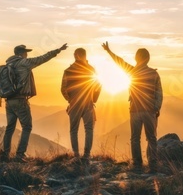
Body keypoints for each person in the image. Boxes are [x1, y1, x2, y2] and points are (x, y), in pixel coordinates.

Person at [0, 43, 68, 161]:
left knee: (10, 128)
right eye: (26, 52)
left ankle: (4, 155)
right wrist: (58, 50)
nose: (27, 54)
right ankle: (20, 154)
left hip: (8, 100)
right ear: (21, 53)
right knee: (27, 126)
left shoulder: (8, 64)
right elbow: (42, 58)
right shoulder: (24, 63)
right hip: (20, 100)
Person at [101, 41, 163, 172]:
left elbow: (119, 61)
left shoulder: (132, 71)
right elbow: (159, 93)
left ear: (136, 58)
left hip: (135, 110)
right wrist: (156, 108)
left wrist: (109, 51)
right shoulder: (154, 74)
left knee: (135, 138)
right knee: (151, 138)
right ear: (148, 59)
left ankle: (137, 165)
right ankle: (152, 164)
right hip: (149, 110)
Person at [61, 48, 102, 161]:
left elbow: (63, 89)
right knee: (89, 129)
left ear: (76, 56)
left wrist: (70, 100)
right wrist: (93, 99)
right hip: (88, 102)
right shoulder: (91, 69)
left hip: (74, 103)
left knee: (73, 130)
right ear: (85, 55)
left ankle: (76, 155)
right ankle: (87, 154)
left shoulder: (68, 70)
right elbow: (98, 86)